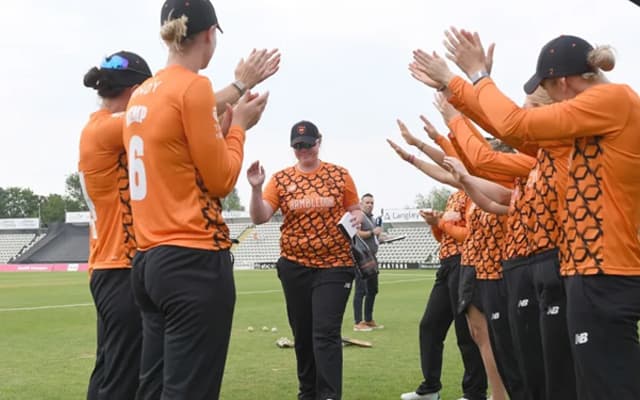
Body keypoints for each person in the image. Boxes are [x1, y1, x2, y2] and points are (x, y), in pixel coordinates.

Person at [430, 29, 640, 400]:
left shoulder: (613, 99)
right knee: (594, 382)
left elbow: (513, 127)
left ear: (560, 83)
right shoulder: (586, 128)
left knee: (607, 385)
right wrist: (455, 90)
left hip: (602, 267)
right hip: (588, 269)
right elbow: (512, 133)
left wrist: (477, 76)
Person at [412, 36, 579, 400]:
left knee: (552, 372)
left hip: (548, 265)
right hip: (528, 268)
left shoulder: (554, 150)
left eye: (531, 105)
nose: (522, 111)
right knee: (532, 370)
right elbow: (494, 151)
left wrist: (463, 90)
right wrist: (457, 93)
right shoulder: (540, 157)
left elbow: (489, 152)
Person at [122, 1, 272, 398]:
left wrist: (220, 129)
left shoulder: (141, 94)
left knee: (153, 387)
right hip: (192, 259)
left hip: (148, 259)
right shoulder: (194, 87)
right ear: (209, 35)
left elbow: (178, 160)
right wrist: (238, 127)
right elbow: (221, 179)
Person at [247, 120, 363, 400]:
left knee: (325, 333)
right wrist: (255, 188)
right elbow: (260, 216)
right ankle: (307, 392)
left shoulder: (339, 175)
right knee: (303, 334)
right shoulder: (281, 179)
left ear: (318, 141)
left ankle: (329, 395)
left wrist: (357, 218)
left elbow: (355, 209)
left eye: (308, 144)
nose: (303, 151)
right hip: (295, 265)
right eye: (298, 146)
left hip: (334, 264)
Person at [80, 51, 152, 400]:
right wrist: (239, 87)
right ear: (136, 90)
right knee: (124, 377)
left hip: (109, 268)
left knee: (110, 370)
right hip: (120, 267)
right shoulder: (107, 127)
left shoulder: (100, 128)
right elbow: (167, 114)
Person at [352, 193, 384, 332]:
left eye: (372, 202)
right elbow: (356, 232)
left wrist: (380, 238)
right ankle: (358, 322)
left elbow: (372, 236)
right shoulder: (359, 216)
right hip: (361, 258)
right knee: (361, 290)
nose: (370, 205)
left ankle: (369, 319)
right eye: (367, 202)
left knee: (372, 289)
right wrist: (372, 232)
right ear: (361, 203)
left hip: (372, 257)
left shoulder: (371, 218)